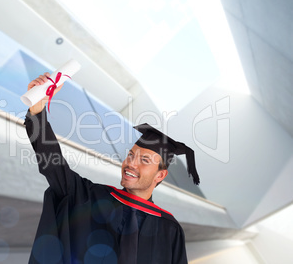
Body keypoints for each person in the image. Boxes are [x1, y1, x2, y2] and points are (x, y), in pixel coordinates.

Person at [24, 73, 200, 264]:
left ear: (160, 175)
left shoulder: (169, 230)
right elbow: (53, 165)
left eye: (144, 160)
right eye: (131, 155)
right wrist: (37, 112)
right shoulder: (91, 198)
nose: (131, 163)